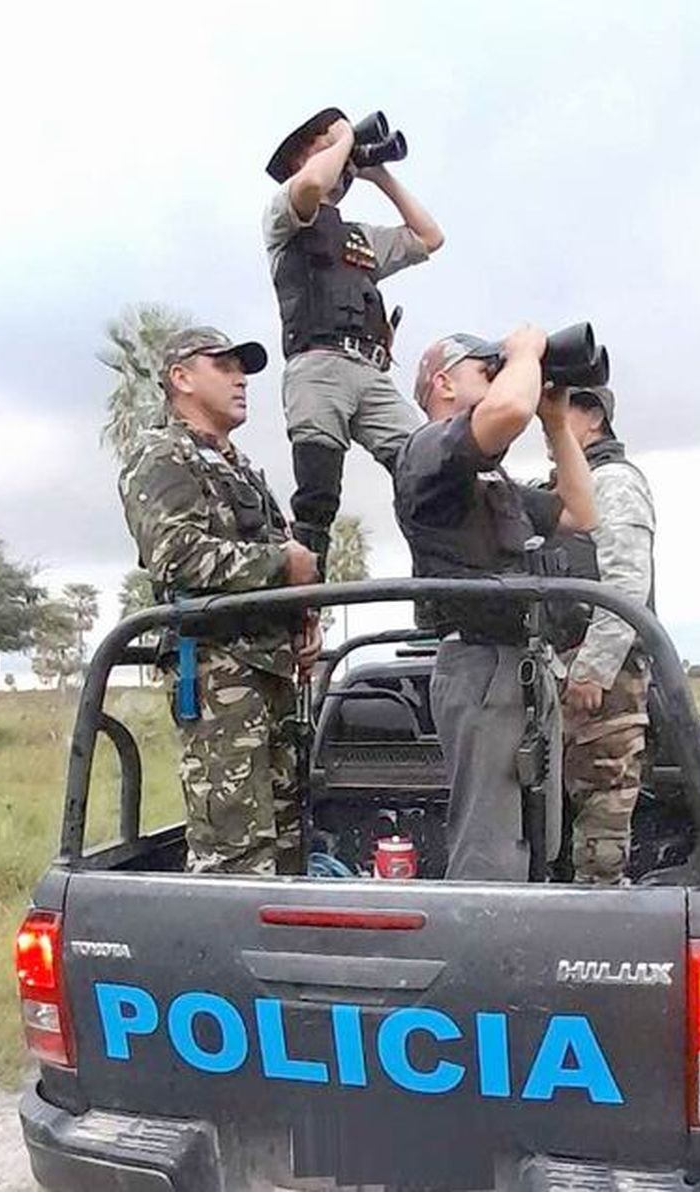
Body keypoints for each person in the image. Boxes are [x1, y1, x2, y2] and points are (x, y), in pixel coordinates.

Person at [393, 327, 597, 881]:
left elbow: (580, 513)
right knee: (490, 846)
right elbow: (507, 412)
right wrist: (527, 351)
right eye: (488, 369)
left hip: (524, 665)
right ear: (444, 384)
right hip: (481, 666)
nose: (502, 375)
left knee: (539, 837)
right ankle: (482, 954)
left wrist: (556, 421)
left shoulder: (491, 479)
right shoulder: (426, 450)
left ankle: (521, 945)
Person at [118, 326, 321, 875]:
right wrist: (285, 565)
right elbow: (176, 557)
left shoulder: (240, 466)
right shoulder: (160, 455)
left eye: (244, 369)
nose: (241, 380)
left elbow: (278, 548)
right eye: (224, 367)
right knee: (235, 850)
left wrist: (305, 618)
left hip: (271, 668)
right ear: (181, 378)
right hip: (218, 672)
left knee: (287, 842)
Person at [264, 107, 445, 567]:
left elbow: (429, 236)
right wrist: (344, 138)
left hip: (371, 370)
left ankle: (436, 589)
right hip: (319, 364)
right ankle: (303, 608)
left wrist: (378, 174)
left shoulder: (358, 238)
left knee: (426, 466)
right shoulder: (285, 213)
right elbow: (309, 187)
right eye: (322, 143)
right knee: (318, 496)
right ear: (299, 158)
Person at [557, 385, 657, 884]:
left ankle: (600, 918)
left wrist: (593, 667)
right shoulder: (568, 484)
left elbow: (625, 583)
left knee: (602, 815)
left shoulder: (613, 482)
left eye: (564, 408)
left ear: (592, 416)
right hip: (566, 671)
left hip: (605, 684)